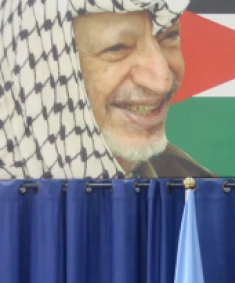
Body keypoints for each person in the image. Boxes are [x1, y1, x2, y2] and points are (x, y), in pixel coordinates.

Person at [0, 0, 214, 179]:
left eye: (168, 37)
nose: (161, 82)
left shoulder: (195, 192)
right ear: (34, 69)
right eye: (117, 48)